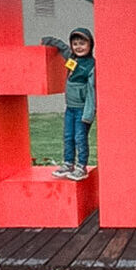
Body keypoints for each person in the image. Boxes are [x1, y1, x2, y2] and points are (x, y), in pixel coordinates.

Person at [42, 28, 96, 181]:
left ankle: (81, 167)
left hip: (82, 110)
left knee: (80, 138)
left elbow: (92, 91)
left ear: (90, 45)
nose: (78, 47)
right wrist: (49, 40)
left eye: (82, 43)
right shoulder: (72, 59)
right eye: (75, 44)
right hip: (70, 108)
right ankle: (68, 164)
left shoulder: (92, 65)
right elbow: (62, 47)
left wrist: (88, 114)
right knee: (68, 136)